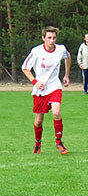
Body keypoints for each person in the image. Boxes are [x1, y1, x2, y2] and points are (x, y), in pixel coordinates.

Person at [21, 26, 71, 155]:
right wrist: (35, 82)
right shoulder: (36, 51)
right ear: (43, 38)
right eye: (49, 38)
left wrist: (66, 75)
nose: (52, 40)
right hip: (40, 90)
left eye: (54, 38)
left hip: (54, 86)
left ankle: (59, 142)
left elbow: (68, 57)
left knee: (56, 112)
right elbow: (25, 68)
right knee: (38, 121)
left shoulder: (61, 49)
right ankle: (38, 144)